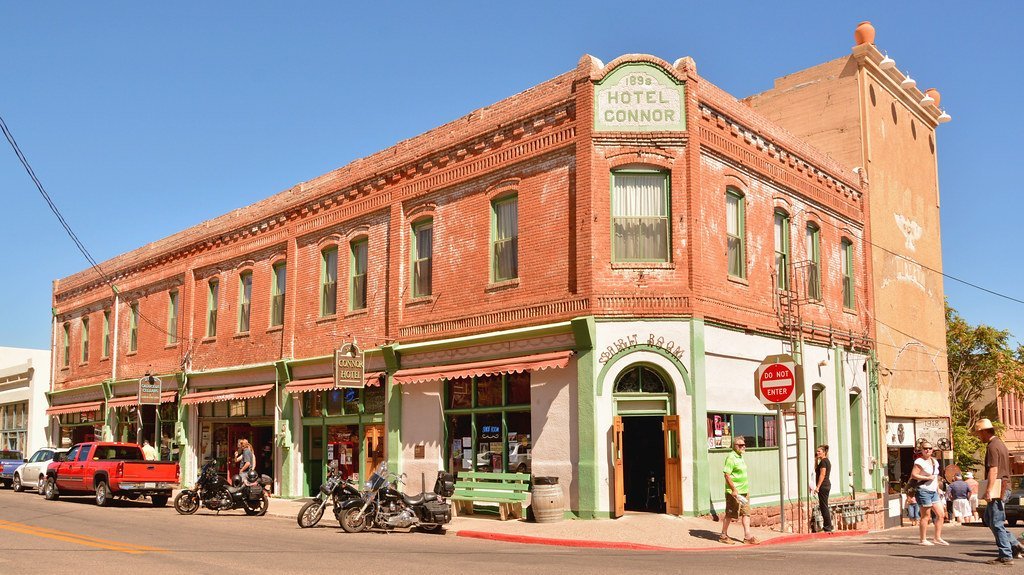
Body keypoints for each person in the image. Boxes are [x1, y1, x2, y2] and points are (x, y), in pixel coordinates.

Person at [973, 418, 1015, 565]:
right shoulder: (1000, 444)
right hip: (1003, 486)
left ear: (985, 431)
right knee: (990, 519)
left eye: (979, 434)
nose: (979, 437)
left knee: (996, 522)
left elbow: (994, 470)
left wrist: (989, 490)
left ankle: (1006, 555)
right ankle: (1015, 545)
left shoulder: (992, 446)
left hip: (999, 488)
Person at [720, 438, 758, 545]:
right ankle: (723, 535)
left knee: (746, 513)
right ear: (735, 446)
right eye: (741, 445)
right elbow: (726, 475)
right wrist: (734, 489)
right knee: (730, 514)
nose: (743, 447)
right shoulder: (731, 458)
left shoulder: (740, 457)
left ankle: (747, 536)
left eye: (744, 445)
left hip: (744, 491)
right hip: (734, 493)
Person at [911, 441, 947, 546]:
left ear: (932, 450)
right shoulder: (919, 461)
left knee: (941, 514)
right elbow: (914, 475)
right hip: (923, 490)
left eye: (930, 448)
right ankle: (923, 539)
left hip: (933, 491)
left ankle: (937, 537)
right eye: (925, 448)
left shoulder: (935, 462)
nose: (927, 450)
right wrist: (926, 477)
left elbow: (935, 477)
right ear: (921, 450)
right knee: (926, 516)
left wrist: (937, 489)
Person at [811, 445, 833, 533]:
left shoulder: (824, 462)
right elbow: (816, 469)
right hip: (825, 485)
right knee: (824, 506)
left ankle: (828, 526)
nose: (817, 453)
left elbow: (822, 474)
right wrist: (816, 460)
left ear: (824, 452)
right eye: (817, 451)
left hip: (823, 486)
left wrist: (818, 487)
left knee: (824, 506)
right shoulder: (824, 461)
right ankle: (828, 525)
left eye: (819, 451)